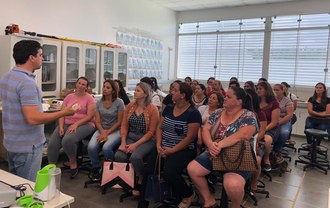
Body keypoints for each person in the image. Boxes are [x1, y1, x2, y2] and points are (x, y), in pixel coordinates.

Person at [0, 40, 78, 181]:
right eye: (41, 55)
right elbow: (33, 118)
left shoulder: (6, 77)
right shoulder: (27, 83)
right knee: (27, 189)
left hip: (11, 143)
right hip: (27, 147)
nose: (42, 58)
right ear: (32, 57)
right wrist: (64, 112)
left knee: (16, 187)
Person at [187, 87, 258, 208]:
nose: (225, 98)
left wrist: (219, 145)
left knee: (232, 185)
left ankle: (235, 206)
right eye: (225, 96)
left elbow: (243, 135)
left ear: (239, 101)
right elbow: (206, 129)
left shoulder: (248, 115)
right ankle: (209, 199)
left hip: (238, 157)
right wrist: (210, 144)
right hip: (215, 152)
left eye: (229, 97)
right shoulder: (218, 112)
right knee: (193, 169)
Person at [156, 82, 201, 208]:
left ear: (183, 95)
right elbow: (159, 128)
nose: (171, 92)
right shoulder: (169, 108)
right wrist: (158, 145)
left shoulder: (193, 113)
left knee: (169, 172)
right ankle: (148, 199)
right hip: (164, 146)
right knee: (149, 169)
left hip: (184, 149)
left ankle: (188, 194)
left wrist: (172, 150)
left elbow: (190, 138)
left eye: (175, 90)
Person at [114, 82, 159, 196]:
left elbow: (151, 132)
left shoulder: (152, 109)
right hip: (131, 136)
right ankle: (128, 179)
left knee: (136, 156)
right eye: (135, 90)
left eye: (138, 90)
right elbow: (124, 125)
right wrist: (123, 142)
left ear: (145, 94)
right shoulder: (130, 106)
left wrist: (135, 145)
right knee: (119, 155)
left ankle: (140, 177)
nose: (134, 92)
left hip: (146, 139)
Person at [48, 77, 96, 179]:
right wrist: (61, 126)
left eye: (84, 84)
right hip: (67, 123)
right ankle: (50, 169)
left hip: (85, 124)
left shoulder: (89, 98)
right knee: (52, 143)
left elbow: (90, 116)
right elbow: (62, 113)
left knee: (68, 140)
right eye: (79, 83)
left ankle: (73, 163)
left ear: (86, 87)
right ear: (76, 83)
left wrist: (76, 124)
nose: (81, 86)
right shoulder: (69, 97)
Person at [87, 80, 125, 181]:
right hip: (102, 129)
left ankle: (112, 167)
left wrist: (107, 133)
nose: (104, 89)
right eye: (104, 86)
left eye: (108, 87)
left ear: (113, 91)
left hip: (115, 129)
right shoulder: (99, 102)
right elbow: (97, 121)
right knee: (91, 147)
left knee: (106, 147)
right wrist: (103, 132)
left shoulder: (119, 102)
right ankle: (96, 167)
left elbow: (119, 122)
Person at [245, 89, 267, 193]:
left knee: (256, 161)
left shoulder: (260, 113)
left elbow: (262, 131)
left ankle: (254, 182)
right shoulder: (242, 112)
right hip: (243, 142)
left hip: (257, 141)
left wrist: (254, 142)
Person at [257, 81, 280, 171]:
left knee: (267, 140)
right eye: (257, 89)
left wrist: (263, 130)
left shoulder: (274, 103)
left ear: (267, 90)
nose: (258, 91)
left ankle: (266, 159)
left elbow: (274, 122)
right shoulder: (255, 101)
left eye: (260, 89)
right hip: (257, 127)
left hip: (271, 128)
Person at [273, 84, 293, 152]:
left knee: (284, 133)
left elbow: (289, 115)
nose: (275, 91)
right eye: (274, 90)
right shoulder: (271, 100)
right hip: (272, 120)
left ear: (282, 90)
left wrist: (278, 122)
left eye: (277, 90)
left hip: (284, 121)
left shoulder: (287, 101)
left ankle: (277, 150)